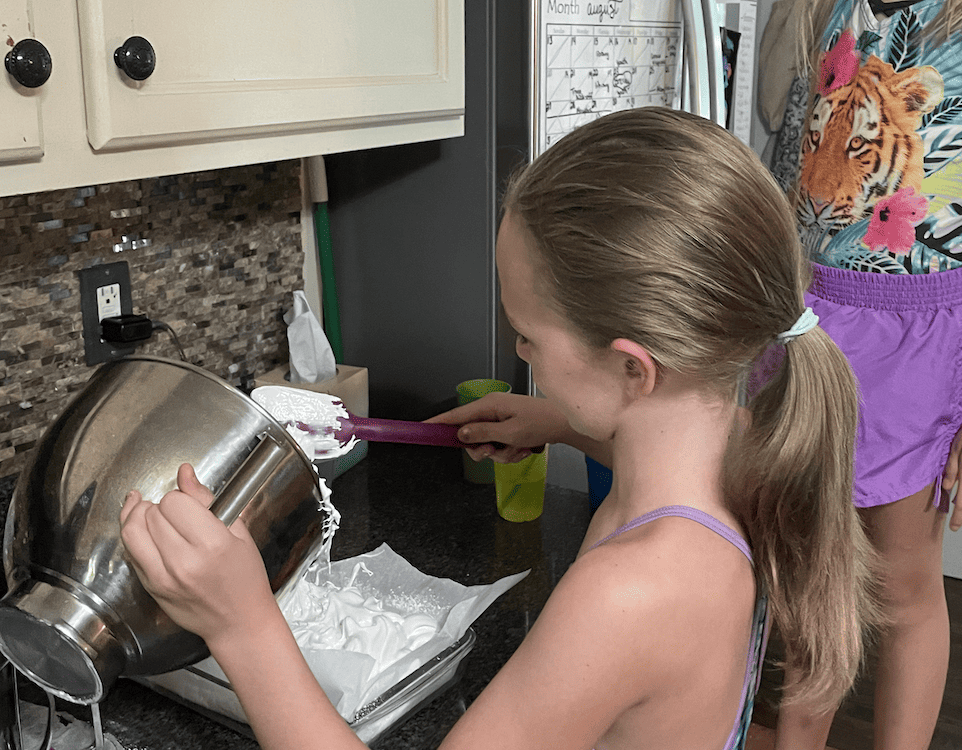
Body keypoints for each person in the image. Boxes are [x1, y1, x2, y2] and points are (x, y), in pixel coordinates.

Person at [120, 107, 881, 750]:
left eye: (527, 335)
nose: (517, 352)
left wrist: (243, 624)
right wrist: (561, 423)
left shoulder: (629, 594)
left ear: (633, 370)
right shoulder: (745, 443)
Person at [755, 0, 962, 747]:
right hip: (808, 320)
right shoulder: (823, 8)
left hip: (921, 336)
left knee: (903, 588)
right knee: (806, 577)